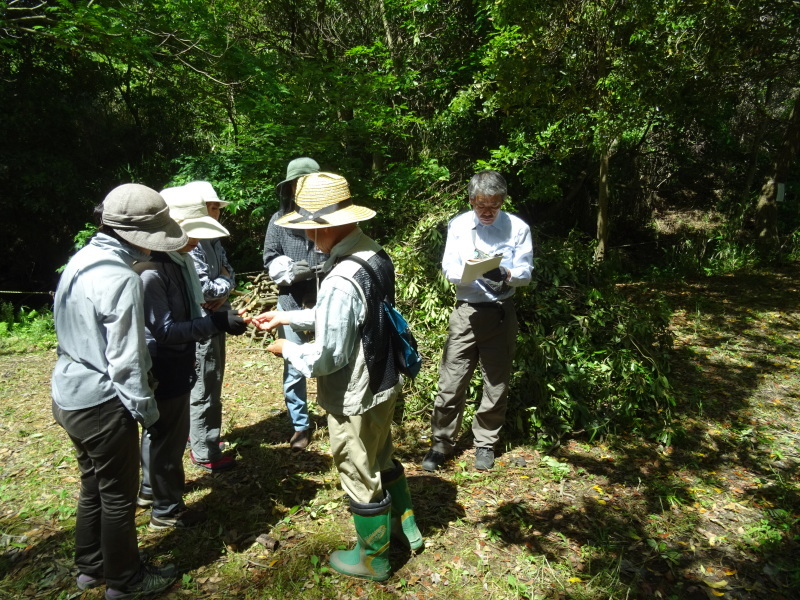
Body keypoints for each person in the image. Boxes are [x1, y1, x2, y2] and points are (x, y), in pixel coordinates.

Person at [252, 172, 423, 581]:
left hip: (356, 392)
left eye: (312, 229)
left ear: (332, 224)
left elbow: (329, 354)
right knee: (381, 456)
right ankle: (408, 529)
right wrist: (287, 314)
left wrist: (287, 348)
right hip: (385, 379)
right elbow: (350, 316)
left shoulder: (341, 278)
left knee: (357, 470)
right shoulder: (373, 254)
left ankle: (372, 558)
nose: (309, 238)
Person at [51, 183, 183, 598]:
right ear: (134, 235)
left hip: (68, 393)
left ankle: (90, 566)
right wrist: (146, 411)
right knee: (119, 497)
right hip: (103, 403)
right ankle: (126, 582)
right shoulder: (121, 278)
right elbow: (126, 362)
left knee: (94, 484)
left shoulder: (81, 260)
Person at [135, 185, 248, 530]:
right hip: (164, 362)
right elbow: (166, 331)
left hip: (174, 359)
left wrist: (215, 313)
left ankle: (150, 490)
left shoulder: (175, 261)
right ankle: (166, 510)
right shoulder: (154, 270)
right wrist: (212, 321)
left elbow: (209, 289)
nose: (199, 243)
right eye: (193, 235)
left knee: (163, 430)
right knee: (167, 434)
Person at [422, 170, 533, 472]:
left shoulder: (517, 228)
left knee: (496, 384)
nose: (486, 212)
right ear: (470, 200)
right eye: (480, 205)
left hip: (500, 312)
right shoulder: (459, 226)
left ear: (503, 201)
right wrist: (473, 271)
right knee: (450, 382)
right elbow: (448, 267)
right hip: (466, 311)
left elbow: (525, 272)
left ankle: (485, 443)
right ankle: (441, 443)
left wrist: (508, 275)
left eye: (494, 206)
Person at [262, 157, 326, 451]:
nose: (301, 189)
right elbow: (269, 256)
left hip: (325, 299)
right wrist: (286, 268)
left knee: (331, 357)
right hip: (290, 300)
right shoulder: (278, 221)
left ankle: (335, 411)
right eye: (296, 184)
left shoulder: (329, 217)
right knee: (294, 364)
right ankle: (300, 424)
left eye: (307, 183)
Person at [183, 181, 238, 472]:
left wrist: (225, 287)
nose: (216, 213)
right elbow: (205, 290)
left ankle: (203, 439)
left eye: (217, 208)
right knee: (204, 382)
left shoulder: (212, 239)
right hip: (202, 322)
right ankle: (204, 449)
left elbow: (231, 274)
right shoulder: (192, 241)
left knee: (211, 379)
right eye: (211, 207)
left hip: (216, 319)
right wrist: (225, 285)